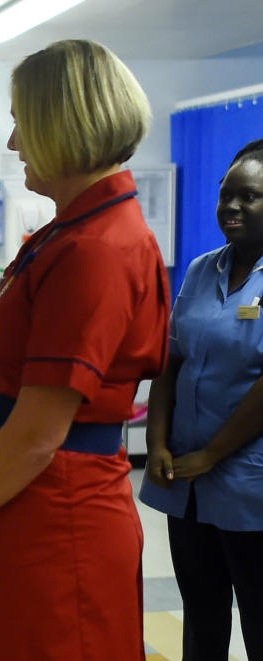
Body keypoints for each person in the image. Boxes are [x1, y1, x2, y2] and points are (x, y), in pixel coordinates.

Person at [0, 40, 170, 660]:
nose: (13, 143)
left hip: (59, 519)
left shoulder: (95, 251)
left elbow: (35, 433)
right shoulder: (72, 233)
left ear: (62, 124)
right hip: (28, 506)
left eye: (21, 122)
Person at [139, 138, 263, 660]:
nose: (231, 207)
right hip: (183, 478)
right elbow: (174, 359)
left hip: (247, 482)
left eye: (249, 197)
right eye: (225, 196)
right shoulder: (199, 270)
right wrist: (157, 439)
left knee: (258, 615)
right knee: (202, 609)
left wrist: (212, 455)